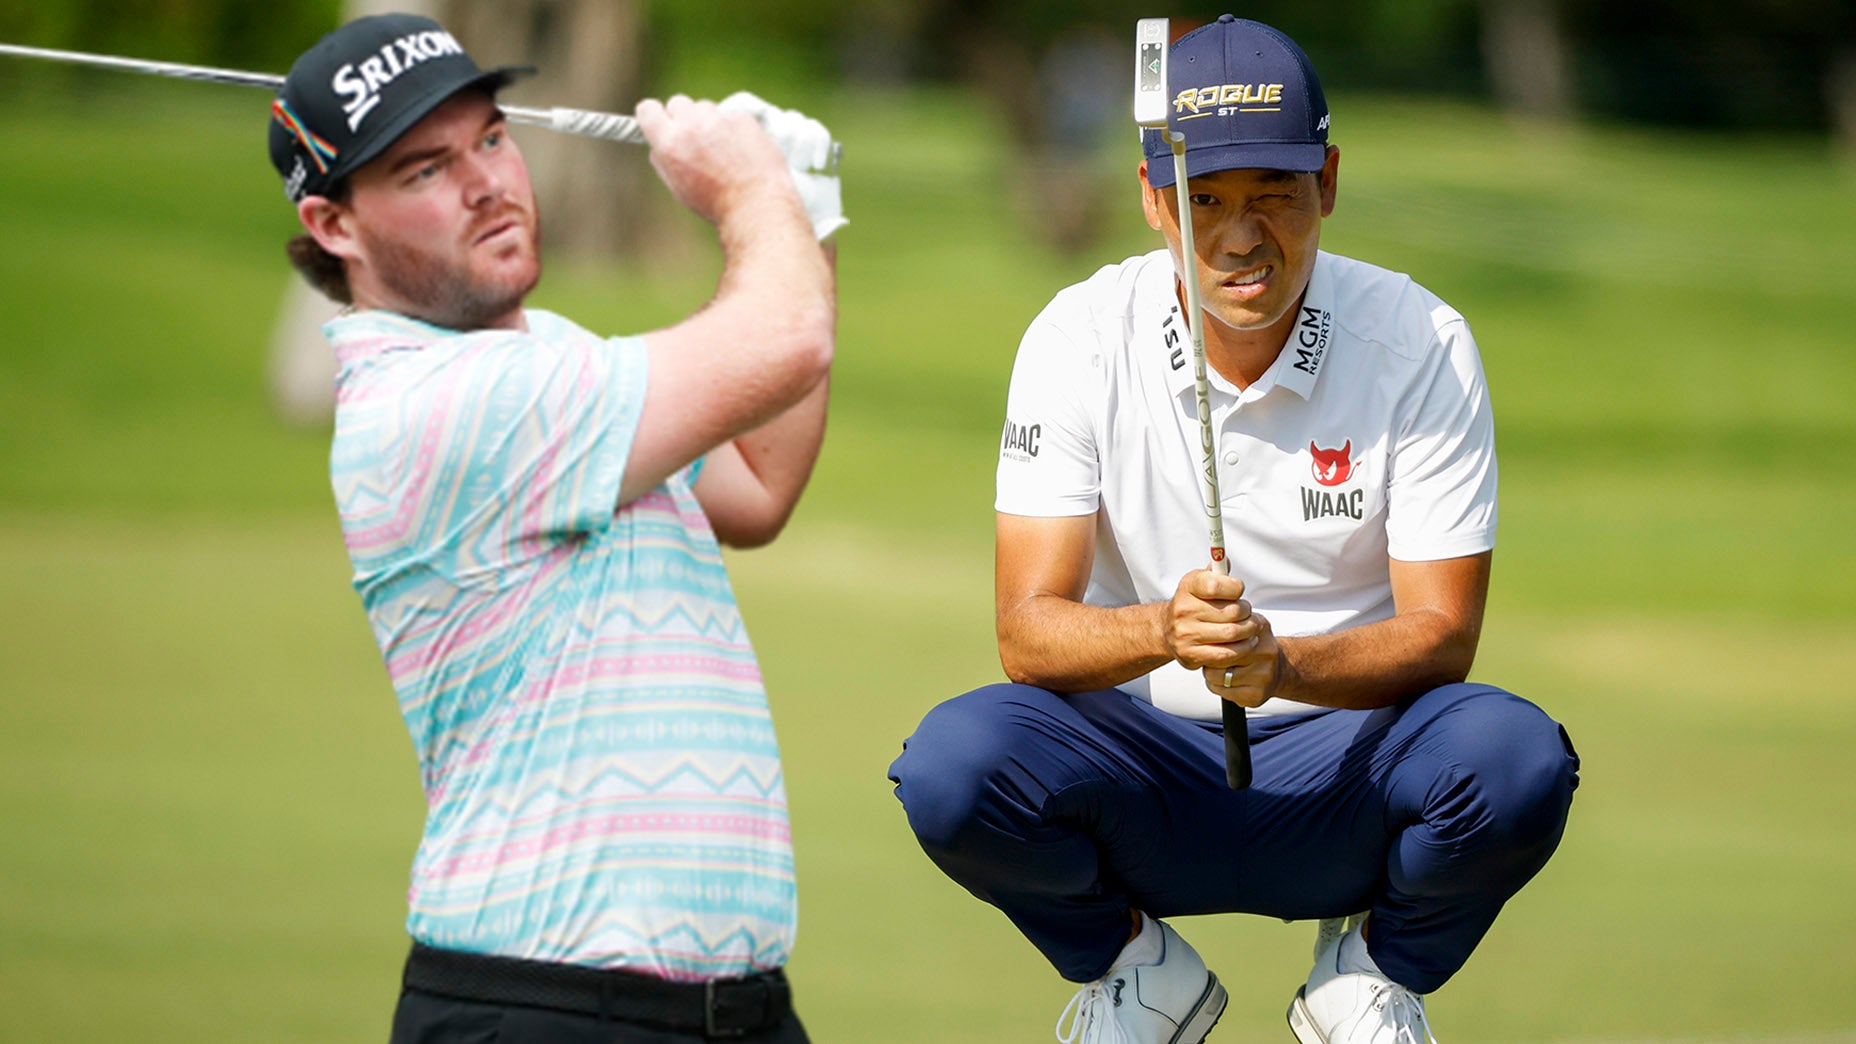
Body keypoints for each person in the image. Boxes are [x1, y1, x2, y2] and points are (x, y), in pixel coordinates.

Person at [888, 15, 1579, 1044]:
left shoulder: (1420, 340)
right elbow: (1026, 630)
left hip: (1350, 769)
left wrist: (1278, 662)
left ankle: (1370, 976)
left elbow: (1442, 634)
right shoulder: (1076, 337)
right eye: (1203, 199)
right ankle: (1131, 969)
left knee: (1513, 759)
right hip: (1142, 774)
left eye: (1273, 196)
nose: (1239, 235)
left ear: (1328, 184)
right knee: (955, 764)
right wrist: (1164, 631)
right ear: (1151, 198)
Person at [268, 13, 842, 1043]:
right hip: (545, 1007)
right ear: (334, 226)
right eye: (423, 169)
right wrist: (754, 193)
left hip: (732, 1012)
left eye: (490, 136)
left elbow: (758, 483)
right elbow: (785, 338)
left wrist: (804, 215)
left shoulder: (555, 363)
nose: (486, 181)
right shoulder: (438, 405)